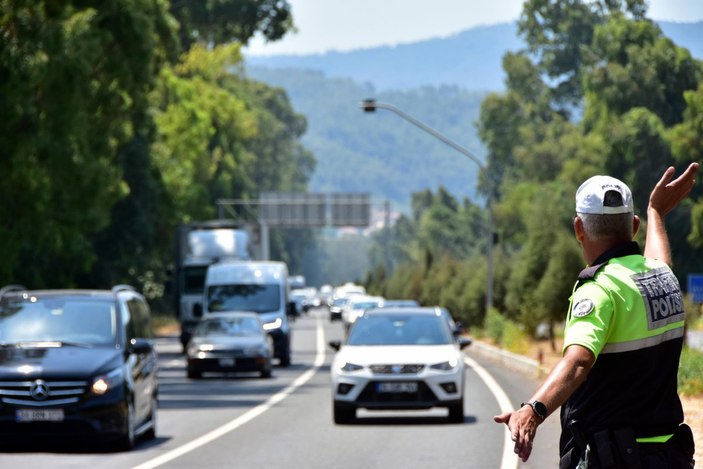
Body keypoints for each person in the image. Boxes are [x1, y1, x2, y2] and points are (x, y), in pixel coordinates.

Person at [494, 162, 699, 468]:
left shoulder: (597, 289)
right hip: (669, 455)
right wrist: (656, 211)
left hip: (612, 457)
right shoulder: (664, 279)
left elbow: (579, 361)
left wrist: (533, 411)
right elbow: (658, 260)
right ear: (634, 226)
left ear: (579, 228)